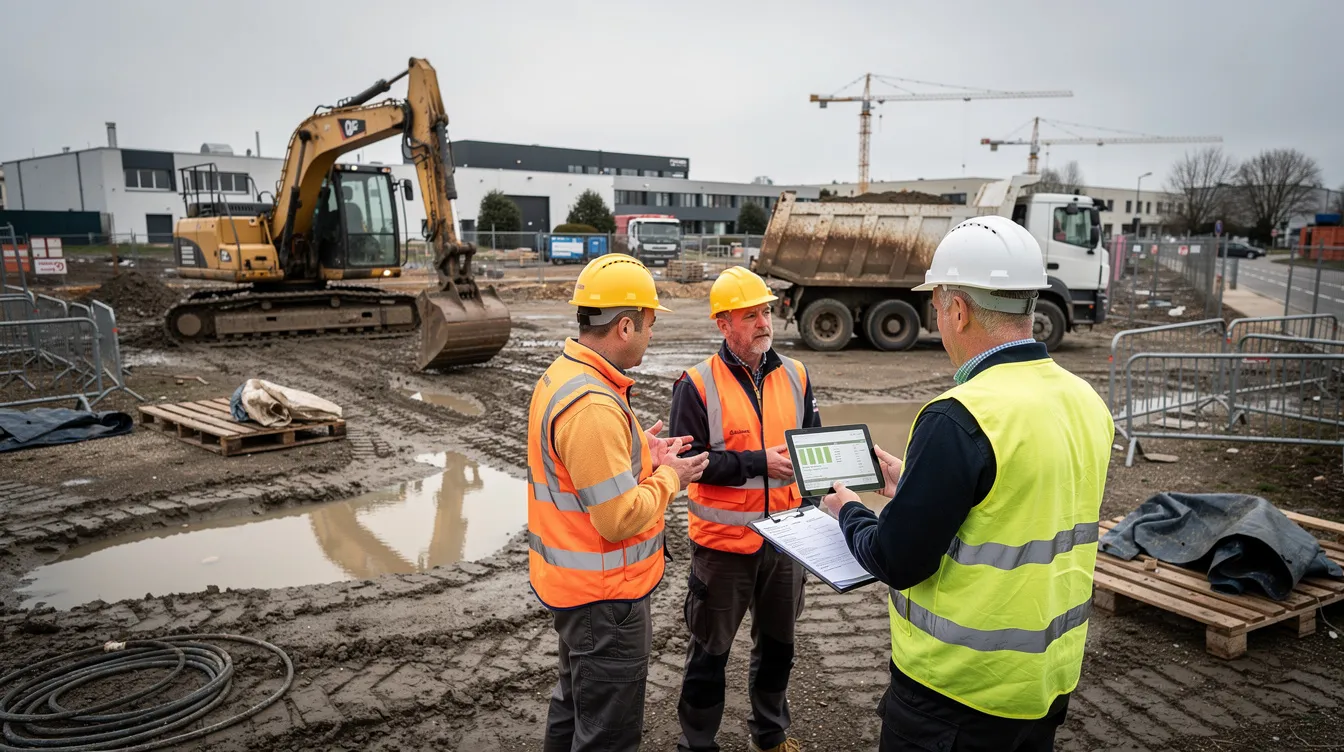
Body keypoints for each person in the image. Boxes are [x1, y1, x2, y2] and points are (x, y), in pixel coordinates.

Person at [819, 215, 1114, 752]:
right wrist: (916, 487)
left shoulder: (958, 417)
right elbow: (1017, 501)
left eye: (936, 306)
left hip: (956, 692)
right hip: (1044, 681)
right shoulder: (1084, 400)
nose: (938, 321)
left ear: (957, 309)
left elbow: (897, 560)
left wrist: (848, 511)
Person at [528, 253, 710, 752]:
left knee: (574, 705)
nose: (652, 334)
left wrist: (641, 453)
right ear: (626, 326)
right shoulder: (592, 405)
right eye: (650, 323)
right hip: (606, 600)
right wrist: (671, 477)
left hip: (579, 592)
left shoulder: (567, 374)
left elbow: (580, 471)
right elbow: (617, 517)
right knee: (607, 733)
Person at [669, 266, 822, 752]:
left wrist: (814, 512)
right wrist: (758, 462)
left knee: (779, 649)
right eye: (750, 315)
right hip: (723, 549)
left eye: (766, 312)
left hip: (786, 543)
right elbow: (690, 464)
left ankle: (770, 737)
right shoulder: (695, 384)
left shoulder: (796, 375)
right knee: (709, 654)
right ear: (723, 324)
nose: (763, 323)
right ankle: (697, 744)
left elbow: (814, 450)